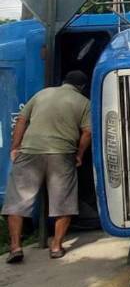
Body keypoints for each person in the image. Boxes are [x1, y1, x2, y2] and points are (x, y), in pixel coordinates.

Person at [2, 71, 92, 262]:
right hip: (61, 153)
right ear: (82, 87)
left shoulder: (42, 94)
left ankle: (15, 247)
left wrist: (15, 147)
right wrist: (79, 154)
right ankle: (56, 246)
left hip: (30, 151)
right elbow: (87, 132)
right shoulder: (84, 102)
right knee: (63, 202)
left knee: (18, 201)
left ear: (64, 82)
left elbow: (21, 120)